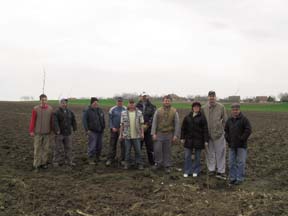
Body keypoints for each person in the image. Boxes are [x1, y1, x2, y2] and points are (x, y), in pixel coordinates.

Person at [151, 95, 180, 174]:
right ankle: (158, 163)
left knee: (167, 150)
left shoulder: (174, 111)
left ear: (170, 102)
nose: (167, 102)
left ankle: (167, 165)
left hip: (169, 134)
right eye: (165, 100)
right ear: (163, 101)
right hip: (159, 133)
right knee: (157, 149)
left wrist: (175, 135)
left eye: (168, 100)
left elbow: (177, 124)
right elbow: (154, 122)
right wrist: (153, 133)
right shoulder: (158, 111)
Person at [202, 91, 228, 180]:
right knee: (209, 153)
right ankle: (211, 169)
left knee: (220, 153)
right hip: (208, 135)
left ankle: (221, 171)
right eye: (210, 97)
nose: (211, 98)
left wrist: (223, 131)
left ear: (215, 97)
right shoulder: (204, 108)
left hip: (218, 135)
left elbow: (225, 120)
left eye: (213, 97)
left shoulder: (221, 107)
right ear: (208, 97)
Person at [225, 103, 252, 185]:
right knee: (231, 162)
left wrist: (242, 139)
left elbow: (248, 130)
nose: (235, 111)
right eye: (233, 110)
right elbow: (226, 131)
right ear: (231, 111)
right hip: (232, 145)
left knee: (241, 162)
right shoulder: (229, 120)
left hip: (241, 145)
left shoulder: (244, 119)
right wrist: (228, 139)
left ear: (239, 110)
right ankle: (233, 178)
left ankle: (240, 178)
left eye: (236, 110)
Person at [181, 101, 209, 178]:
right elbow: (183, 128)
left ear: (199, 108)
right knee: (187, 156)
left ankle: (196, 171)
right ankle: (187, 171)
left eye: (197, 107)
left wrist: (206, 140)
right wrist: (182, 137)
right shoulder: (187, 117)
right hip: (188, 140)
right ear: (192, 108)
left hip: (199, 140)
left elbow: (205, 130)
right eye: (194, 107)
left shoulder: (202, 117)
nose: (196, 108)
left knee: (197, 156)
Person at [29, 94, 53, 171]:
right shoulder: (35, 109)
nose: (44, 101)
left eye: (45, 100)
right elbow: (32, 120)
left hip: (47, 133)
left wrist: (52, 130)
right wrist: (31, 130)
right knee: (37, 149)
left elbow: (51, 121)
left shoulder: (50, 109)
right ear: (40, 100)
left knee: (45, 149)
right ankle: (36, 164)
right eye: (42, 100)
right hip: (38, 133)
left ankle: (43, 163)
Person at [120, 98, 144, 170]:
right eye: (130, 103)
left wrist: (142, 133)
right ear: (128, 104)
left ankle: (139, 163)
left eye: (133, 103)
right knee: (127, 151)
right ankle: (127, 163)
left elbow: (141, 124)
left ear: (134, 104)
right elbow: (122, 124)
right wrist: (120, 134)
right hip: (127, 135)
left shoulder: (139, 113)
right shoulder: (123, 113)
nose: (131, 105)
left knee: (138, 151)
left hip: (136, 135)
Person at [53, 98, 77, 167]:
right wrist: (57, 130)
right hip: (59, 133)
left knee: (69, 148)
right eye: (63, 103)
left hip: (68, 133)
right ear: (60, 104)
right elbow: (55, 122)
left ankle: (69, 161)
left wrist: (74, 127)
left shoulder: (70, 112)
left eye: (65, 103)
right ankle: (56, 162)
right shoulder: (56, 112)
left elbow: (73, 120)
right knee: (58, 148)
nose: (64, 104)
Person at [82, 97, 105, 165]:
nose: (96, 104)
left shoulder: (100, 110)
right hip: (92, 131)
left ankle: (98, 157)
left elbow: (102, 119)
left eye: (97, 103)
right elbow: (84, 121)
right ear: (91, 103)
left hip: (100, 131)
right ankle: (90, 158)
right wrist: (87, 130)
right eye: (95, 103)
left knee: (99, 145)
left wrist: (103, 127)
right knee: (92, 145)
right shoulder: (87, 110)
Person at [136, 92, 156, 166]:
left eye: (145, 96)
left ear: (147, 97)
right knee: (138, 147)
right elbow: (135, 117)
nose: (144, 97)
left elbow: (153, 117)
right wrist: (140, 126)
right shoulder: (136, 106)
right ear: (140, 97)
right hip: (139, 129)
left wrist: (147, 124)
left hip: (149, 130)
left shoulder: (152, 106)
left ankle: (152, 162)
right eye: (142, 96)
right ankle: (138, 162)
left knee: (150, 147)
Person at [105, 97, 126, 166]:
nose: (119, 102)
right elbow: (110, 119)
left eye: (121, 101)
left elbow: (127, 120)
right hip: (114, 130)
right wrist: (112, 127)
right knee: (112, 144)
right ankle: (110, 159)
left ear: (122, 102)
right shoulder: (112, 109)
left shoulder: (125, 109)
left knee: (123, 145)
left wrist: (122, 128)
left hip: (122, 130)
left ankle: (123, 159)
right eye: (118, 101)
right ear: (116, 102)